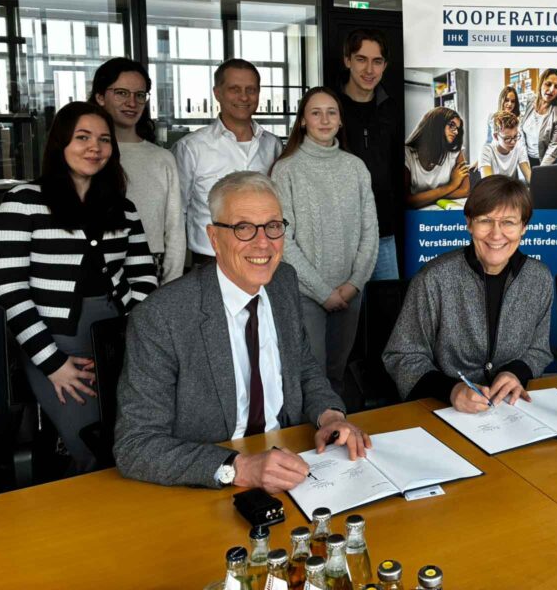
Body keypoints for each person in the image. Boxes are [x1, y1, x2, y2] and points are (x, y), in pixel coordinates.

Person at [114, 171, 371, 493]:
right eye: (243, 228)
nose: (263, 243)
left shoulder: (282, 282)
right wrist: (236, 468)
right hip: (208, 480)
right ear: (213, 238)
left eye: (273, 227)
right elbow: (135, 445)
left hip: (292, 462)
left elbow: (304, 368)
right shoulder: (161, 316)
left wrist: (330, 416)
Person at [0, 102, 157, 473]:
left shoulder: (122, 207)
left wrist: (136, 331)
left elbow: (144, 275)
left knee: (127, 437)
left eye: (103, 139)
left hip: (119, 338)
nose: (94, 148)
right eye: (82, 137)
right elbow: (9, 290)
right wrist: (53, 364)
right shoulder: (23, 202)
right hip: (57, 342)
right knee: (90, 445)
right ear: (61, 143)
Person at [383, 175, 553, 412]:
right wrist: (450, 391)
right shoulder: (433, 278)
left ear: (524, 227)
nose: (496, 234)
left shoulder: (540, 278)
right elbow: (402, 356)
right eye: (485, 220)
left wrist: (516, 372)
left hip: (512, 409)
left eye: (509, 222)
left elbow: (539, 349)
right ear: (469, 223)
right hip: (443, 409)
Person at [269, 87, 378, 396]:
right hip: (306, 294)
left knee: (338, 372)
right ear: (303, 121)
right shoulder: (286, 169)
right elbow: (283, 239)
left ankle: (337, 436)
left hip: (349, 291)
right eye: (315, 112)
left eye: (331, 112)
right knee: (311, 377)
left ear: (341, 121)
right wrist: (323, 292)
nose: (324, 119)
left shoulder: (355, 167)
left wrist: (354, 283)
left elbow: (370, 229)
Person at [173, 58, 283, 265]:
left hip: (262, 258)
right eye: (235, 89)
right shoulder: (191, 148)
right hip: (209, 261)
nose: (244, 97)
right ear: (217, 93)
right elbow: (177, 213)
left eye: (251, 89)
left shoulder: (273, 146)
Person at [91, 57, 185, 284]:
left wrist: (171, 285)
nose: (132, 102)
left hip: (150, 268)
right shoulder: (86, 154)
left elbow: (174, 231)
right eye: (122, 93)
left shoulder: (162, 158)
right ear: (100, 96)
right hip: (94, 265)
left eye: (139, 95)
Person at [338, 28, 400, 281]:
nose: (369, 70)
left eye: (377, 61)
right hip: (341, 236)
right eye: (361, 59)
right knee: (343, 315)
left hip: (383, 232)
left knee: (385, 312)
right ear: (347, 60)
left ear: (385, 65)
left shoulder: (392, 108)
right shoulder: (331, 107)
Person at [404, 106, 470, 208]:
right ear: (436, 125)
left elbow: (465, 191)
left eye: (457, 128)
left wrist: (424, 197)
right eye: (451, 125)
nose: (456, 132)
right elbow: (406, 200)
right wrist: (451, 186)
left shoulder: (455, 151)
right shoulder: (407, 154)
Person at [521, 68, 557, 166]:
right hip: (525, 158)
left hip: (545, 162)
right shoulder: (530, 101)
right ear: (541, 83)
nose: (551, 90)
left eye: (556, 87)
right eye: (548, 84)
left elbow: (553, 148)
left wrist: (541, 171)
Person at [478, 111, 531, 182]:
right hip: (493, 191)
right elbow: (488, 183)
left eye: (515, 136)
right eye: (507, 138)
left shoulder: (519, 147)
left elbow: (528, 175)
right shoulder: (486, 151)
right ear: (496, 136)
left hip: (510, 190)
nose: (513, 142)